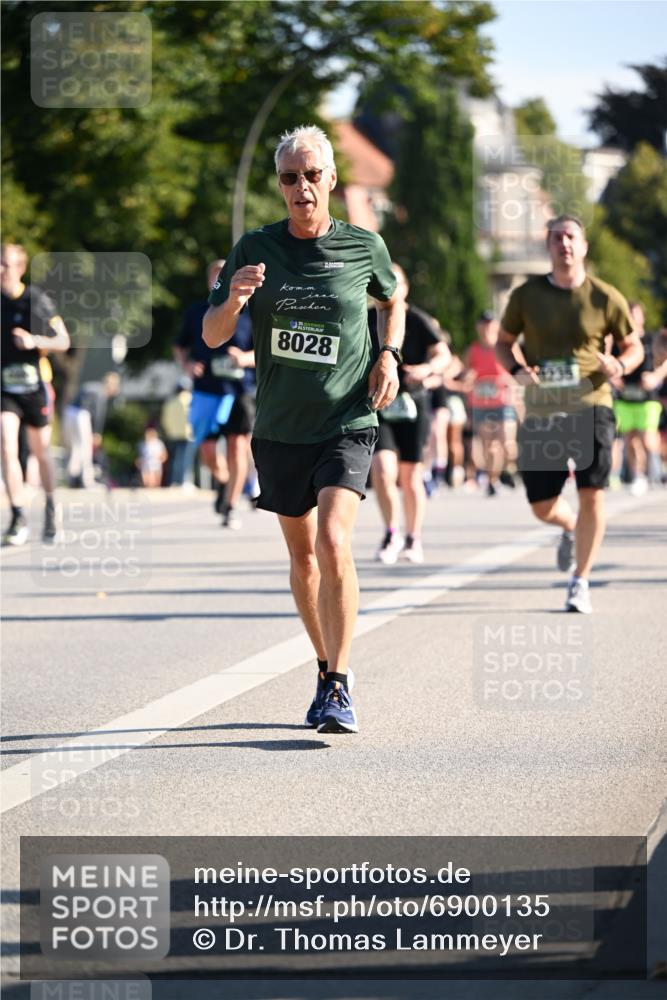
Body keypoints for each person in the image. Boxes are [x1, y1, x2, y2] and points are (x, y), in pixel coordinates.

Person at [203, 125, 403, 733]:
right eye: (290, 177)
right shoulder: (254, 249)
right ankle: (323, 667)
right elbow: (212, 334)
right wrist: (233, 301)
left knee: (333, 542)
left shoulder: (364, 247)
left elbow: (394, 295)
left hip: (347, 419)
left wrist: (389, 355)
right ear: (280, 186)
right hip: (280, 428)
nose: (302, 187)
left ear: (332, 181)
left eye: (312, 175)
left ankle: (339, 686)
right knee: (303, 557)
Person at [496, 215, 643, 614]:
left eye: (571, 237)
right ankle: (568, 527)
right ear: (548, 246)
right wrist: (517, 370)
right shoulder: (527, 296)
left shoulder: (604, 296)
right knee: (541, 504)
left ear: (583, 245)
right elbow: (504, 342)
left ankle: (580, 579)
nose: (564, 244)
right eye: (557, 237)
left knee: (592, 491)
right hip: (544, 409)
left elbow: (634, 347)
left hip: (592, 403)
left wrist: (620, 365)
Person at [370, 263, 450, 564]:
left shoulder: (416, 319)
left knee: (410, 474)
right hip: (378, 405)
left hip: (413, 404)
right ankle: (392, 532)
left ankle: (413, 536)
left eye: (395, 282)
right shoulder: (367, 317)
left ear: (405, 288)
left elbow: (443, 354)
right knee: (382, 470)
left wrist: (426, 369)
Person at [175, 261, 256, 527]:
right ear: (210, 281)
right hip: (206, 390)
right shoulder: (198, 311)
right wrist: (186, 365)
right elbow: (180, 346)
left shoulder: (252, 312)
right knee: (207, 450)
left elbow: (269, 351)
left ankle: (230, 506)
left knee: (238, 448)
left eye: (225, 274)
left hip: (240, 390)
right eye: (215, 275)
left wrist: (245, 358)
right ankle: (224, 481)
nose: (219, 279)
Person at [1, 243, 70, 544]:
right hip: (5, 387)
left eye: (5, 264)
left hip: (35, 386)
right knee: (6, 444)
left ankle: (52, 508)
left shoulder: (35, 300)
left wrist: (33, 340)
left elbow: (63, 341)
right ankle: (17, 516)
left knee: (41, 453)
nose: (0, 269)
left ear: (20, 268)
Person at [613, 302, 667, 493]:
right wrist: (614, 377)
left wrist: (656, 377)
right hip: (626, 397)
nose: (634, 319)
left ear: (642, 317)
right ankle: (638, 476)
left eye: (636, 315)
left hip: (648, 398)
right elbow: (610, 363)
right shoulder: (619, 341)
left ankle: (656, 470)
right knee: (630, 439)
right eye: (630, 315)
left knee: (647, 438)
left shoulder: (653, 338)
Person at [462, 311, 517, 497]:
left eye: (490, 324)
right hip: (482, 404)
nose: (487, 328)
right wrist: (470, 377)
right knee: (490, 446)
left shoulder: (506, 348)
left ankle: (508, 470)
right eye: (483, 324)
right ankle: (493, 480)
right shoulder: (473, 350)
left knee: (507, 444)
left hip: (504, 402)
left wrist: (508, 379)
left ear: (496, 326)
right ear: (478, 327)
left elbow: (520, 372)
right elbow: (466, 375)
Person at [63, 372, 120, 488]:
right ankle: (87, 480)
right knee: (86, 447)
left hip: (69, 412)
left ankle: (72, 477)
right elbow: (98, 414)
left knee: (76, 447)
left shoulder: (91, 385)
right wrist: (96, 432)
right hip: (82, 415)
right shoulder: (101, 392)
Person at [160, 376, 196, 487]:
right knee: (185, 460)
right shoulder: (191, 400)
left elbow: (164, 420)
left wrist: (170, 431)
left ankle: (174, 481)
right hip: (188, 435)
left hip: (173, 435)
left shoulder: (170, 402)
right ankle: (184, 481)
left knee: (174, 460)